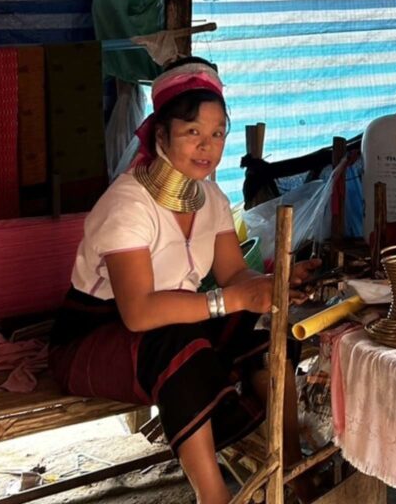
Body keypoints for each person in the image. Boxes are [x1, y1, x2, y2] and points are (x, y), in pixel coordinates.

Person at [49, 58, 320, 504]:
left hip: (176, 320)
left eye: (216, 133)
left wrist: (275, 283)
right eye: (192, 131)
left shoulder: (211, 196)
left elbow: (234, 274)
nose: (206, 146)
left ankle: (291, 467)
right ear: (161, 135)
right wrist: (229, 300)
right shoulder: (128, 204)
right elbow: (138, 313)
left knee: (267, 328)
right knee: (180, 346)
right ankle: (212, 494)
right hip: (96, 336)